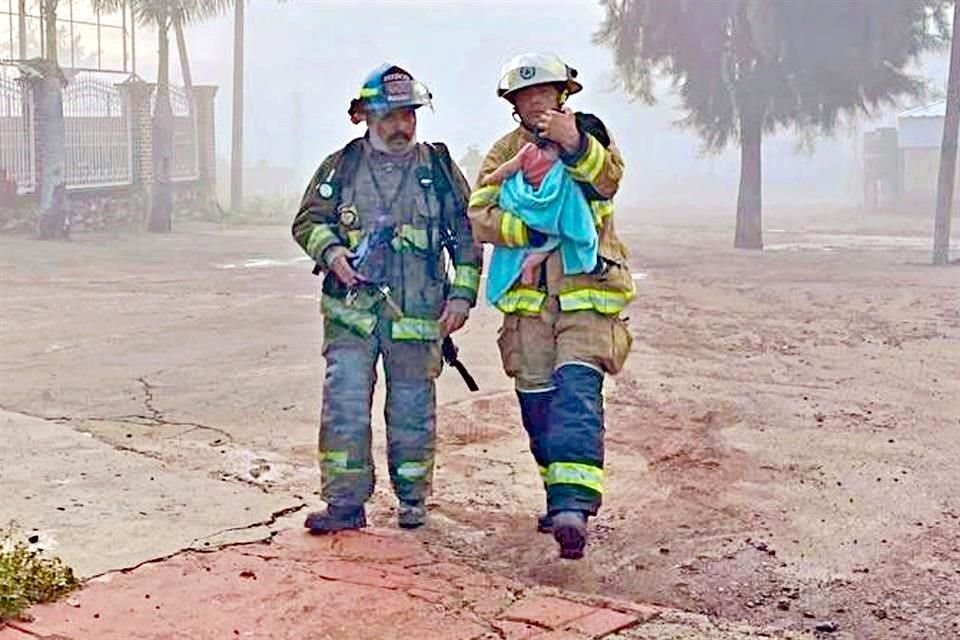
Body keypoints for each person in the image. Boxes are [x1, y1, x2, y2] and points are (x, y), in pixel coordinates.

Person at [292, 63, 481, 533]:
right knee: (345, 407)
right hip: (351, 316)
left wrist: (462, 296)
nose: (403, 125)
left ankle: (413, 500)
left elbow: (467, 234)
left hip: (418, 315)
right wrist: (333, 252)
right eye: (393, 116)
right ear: (367, 116)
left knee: (413, 409)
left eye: (410, 115)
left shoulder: (436, 168)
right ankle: (344, 505)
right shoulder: (342, 166)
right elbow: (307, 221)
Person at [468, 52, 635, 559]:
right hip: (528, 307)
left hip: (587, 292)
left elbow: (606, 182)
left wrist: (574, 144)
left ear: (563, 94)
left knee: (577, 394)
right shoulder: (504, 151)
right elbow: (479, 212)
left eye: (544, 92)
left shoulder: (590, 133)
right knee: (536, 404)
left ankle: (573, 508)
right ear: (513, 105)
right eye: (524, 95)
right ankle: (555, 492)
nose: (534, 101)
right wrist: (530, 231)